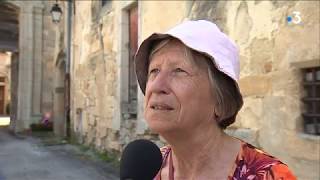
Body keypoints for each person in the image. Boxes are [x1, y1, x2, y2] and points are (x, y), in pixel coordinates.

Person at [134, 20, 296, 180]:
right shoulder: (147, 168)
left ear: (220, 101)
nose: (157, 86)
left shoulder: (269, 176)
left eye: (179, 71)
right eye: (154, 71)